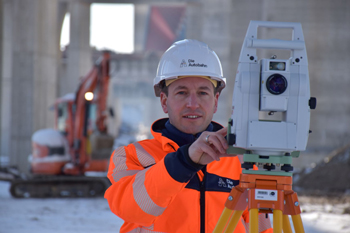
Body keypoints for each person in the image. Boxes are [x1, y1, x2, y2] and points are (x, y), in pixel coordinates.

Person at [104, 39, 272, 233]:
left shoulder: (243, 163)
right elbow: (130, 208)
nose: (193, 103)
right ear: (164, 101)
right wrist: (185, 161)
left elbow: (260, 229)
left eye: (203, 93)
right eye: (182, 92)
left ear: (215, 101)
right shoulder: (132, 156)